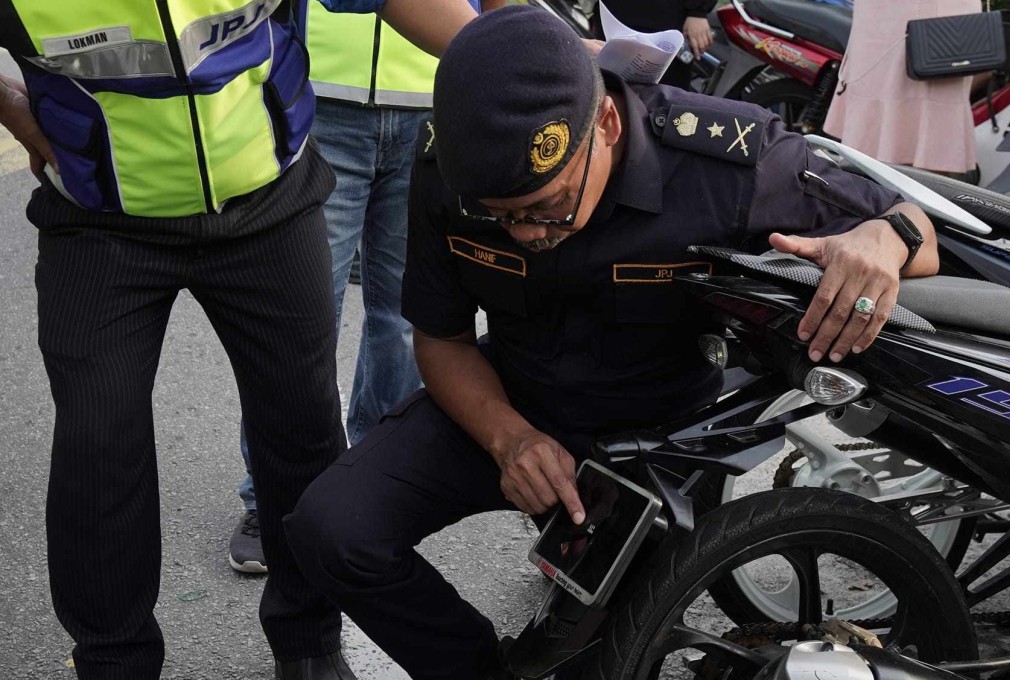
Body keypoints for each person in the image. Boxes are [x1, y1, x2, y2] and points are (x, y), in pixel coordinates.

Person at [283, 5, 937, 679]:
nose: (528, 235)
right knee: (332, 530)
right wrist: (509, 438)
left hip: (658, 439)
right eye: (502, 220)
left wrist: (884, 241)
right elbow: (442, 339)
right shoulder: (446, 167)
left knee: (602, 663)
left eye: (547, 208)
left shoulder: (726, 162)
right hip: (511, 402)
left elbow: (915, 220)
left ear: (607, 125)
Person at [0, 0, 479, 678]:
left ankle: (309, 643)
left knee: (302, 427)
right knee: (97, 443)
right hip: (99, 220)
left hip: (267, 203)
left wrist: (524, 54)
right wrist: (9, 104)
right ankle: (114, 663)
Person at [229, 0, 504, 575]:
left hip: (434, 107)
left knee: (407, 321)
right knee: (297, 321)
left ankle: (376, 489)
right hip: (318, 102)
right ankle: (270, 498)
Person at [824, 0, 980, 175]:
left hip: (938, 22)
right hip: (884, 21)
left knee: (934, 109)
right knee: (876, 126)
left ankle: (916, 196)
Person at [592, 0, 717, 89]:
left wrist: (698, 11)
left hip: (668, 16)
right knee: (608, 85)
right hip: (613, 14)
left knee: (664, 95)